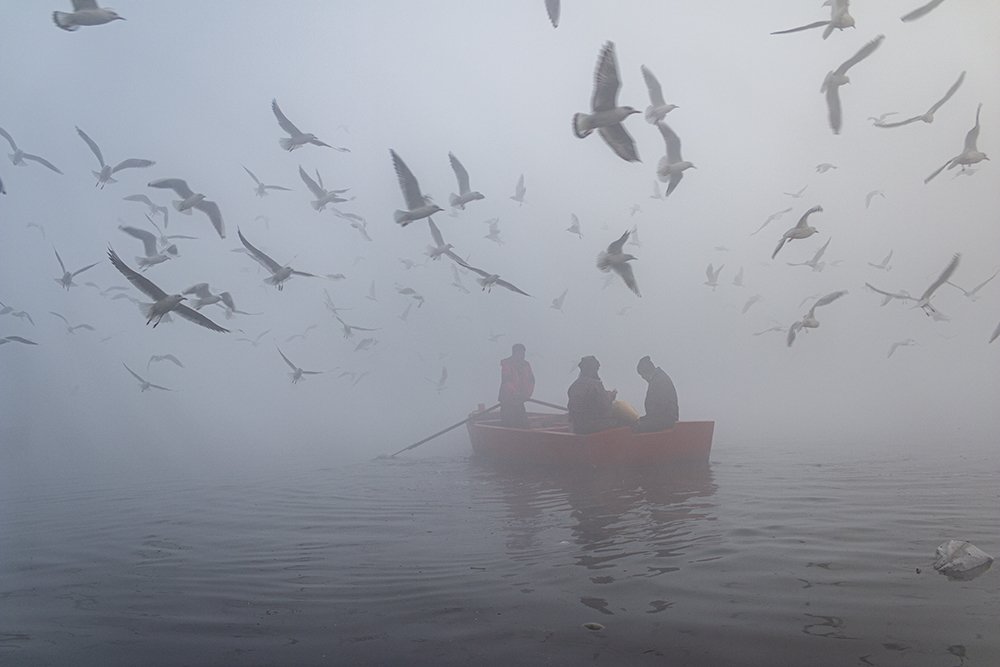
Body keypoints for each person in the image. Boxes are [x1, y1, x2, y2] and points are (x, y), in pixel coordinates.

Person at [567, 355, 635, 434]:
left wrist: (606, 395)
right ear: (592, 369)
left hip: (577, 427)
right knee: (626, 423)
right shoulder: (595, 384)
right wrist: (611, 396)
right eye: (596, 369)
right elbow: (604, 406)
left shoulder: (574, 386)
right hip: (591, 426)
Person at [633, 355, 679, 432]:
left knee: (634, 428)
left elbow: (659, 409)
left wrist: (645, 420)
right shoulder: (659, 378)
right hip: (663, 419)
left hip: (665, 421)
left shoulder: (659, 381)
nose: (643, 378)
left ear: (646, 371)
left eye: (642, 375)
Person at [498, 343, 535, 427]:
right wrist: (516, 393)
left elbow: (531, 381)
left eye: (523, 353)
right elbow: (507, 381)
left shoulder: (526, 365)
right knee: (508, 424)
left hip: (519, 401)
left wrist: (527, 395)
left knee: (524, 424)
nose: (522, 355)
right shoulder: (507, 364)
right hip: (507, 400)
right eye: (520, 353)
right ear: (514, 353)